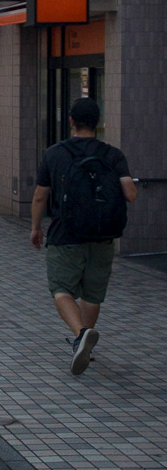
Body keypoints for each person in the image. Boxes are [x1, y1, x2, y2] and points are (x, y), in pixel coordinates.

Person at [31, 98, 137, 376]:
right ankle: (86, 348)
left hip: (66, 233)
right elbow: (131, 194)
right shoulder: (113, 155)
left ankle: (80, 335)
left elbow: (41, 195)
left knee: (60, 289)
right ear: (99, 123)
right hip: (103, 234)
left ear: (71, 121)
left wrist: (35, 227)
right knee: (92, 293)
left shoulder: (54, 153)